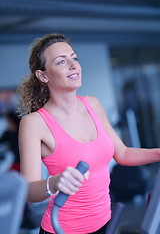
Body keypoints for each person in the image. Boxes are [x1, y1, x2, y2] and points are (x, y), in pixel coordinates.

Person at [17, 33, 160, 234]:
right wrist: (56, 181)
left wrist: (158, 153)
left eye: (74, 58)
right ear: (43, 76)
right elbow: (29, 192)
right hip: (62, 229)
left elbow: (123, 154)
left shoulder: (92, 104)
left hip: (106, 221)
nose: (73, 65)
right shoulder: (34, 123)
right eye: (61, 62)